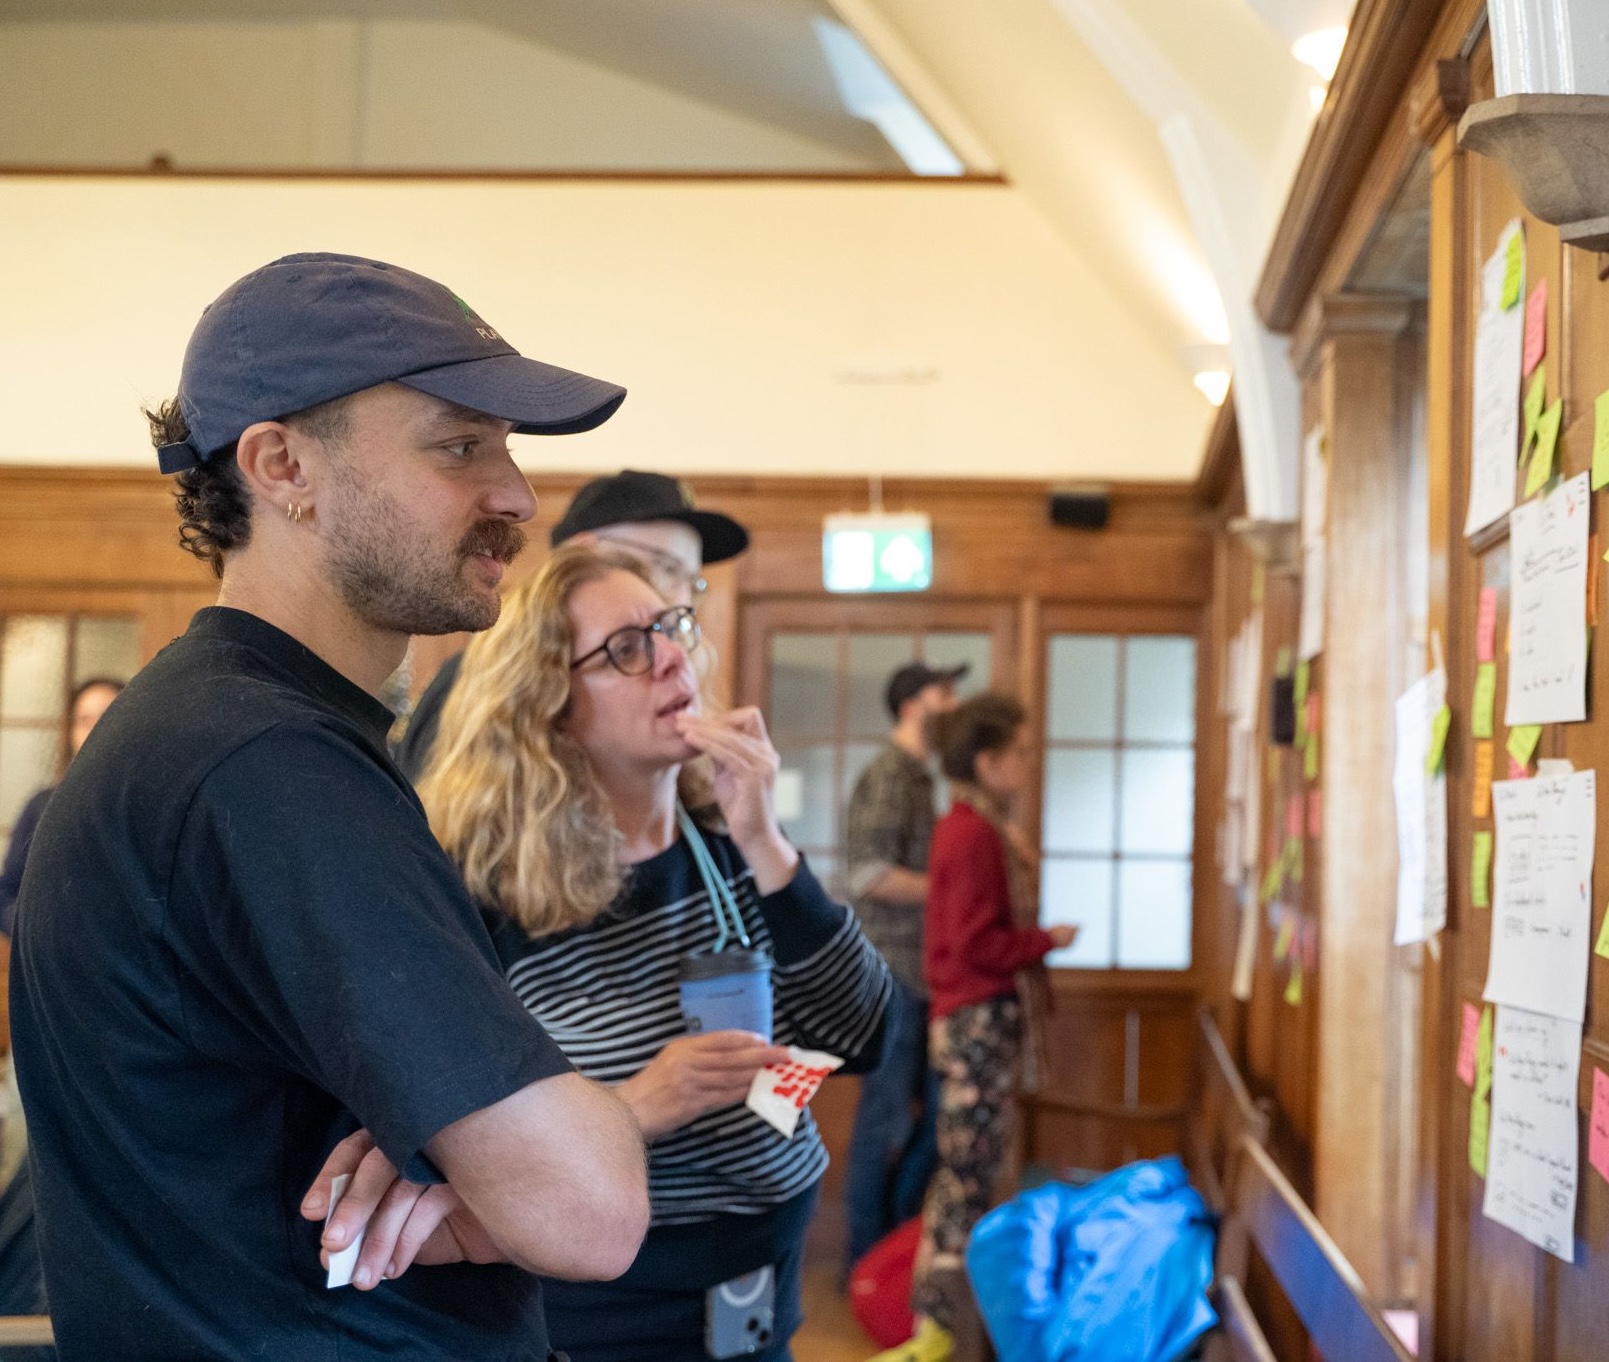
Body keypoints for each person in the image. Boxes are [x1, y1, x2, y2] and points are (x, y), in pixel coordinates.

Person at [9, 253, 651, 1361]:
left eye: (507, 448)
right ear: (283, 465)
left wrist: (458, 1169)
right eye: (459, 446)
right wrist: (527, 1162)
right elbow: (589, 1212)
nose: (516, 495)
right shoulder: (263, 763)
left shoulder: (226, 726)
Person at [305, 545, 894, 1361]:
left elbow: (863, 1036)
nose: (671, 657)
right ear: (550, 705)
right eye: (625, 648)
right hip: (605, 1311)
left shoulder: (731, 837)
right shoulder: (486, 888)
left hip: (764, 1285)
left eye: (670, 627)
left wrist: (764, 838)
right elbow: (441, 1130)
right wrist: (635, 1105)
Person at [872, 693, 1076, 1362]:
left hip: (970, 1020)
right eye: (1019, 752)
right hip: (975, 1022)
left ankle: (945, 1324)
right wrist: (1044, 940)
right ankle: (938, 1328)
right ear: (986, 762)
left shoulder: (973, 827)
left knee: (967, 1173)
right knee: (965, 1177)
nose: (1027, 763)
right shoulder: (970, 834)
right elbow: (974, 944)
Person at [393, 469, 748, 782]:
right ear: (585, 554)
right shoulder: (484, 680)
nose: (683, 599)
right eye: (667, 568)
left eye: (693, 582)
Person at [840, 661, 965, 1279]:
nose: (954, 703)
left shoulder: (917, 776)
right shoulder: (891, 774)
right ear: (913, 705)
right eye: (944, 693)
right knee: (884, 1123)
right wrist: (954, 888)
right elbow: (868, 873)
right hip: (891, 975)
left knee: (920, 1122)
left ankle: (889, 1260)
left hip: (917, 975)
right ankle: (866, 1267)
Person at [0, 676, 123, 937]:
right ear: (70, 731)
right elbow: (8, 889)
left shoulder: (147, 808)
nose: (94, 729)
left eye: (107, 717)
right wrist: (34, 931)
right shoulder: (41, 805)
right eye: (84, 720)